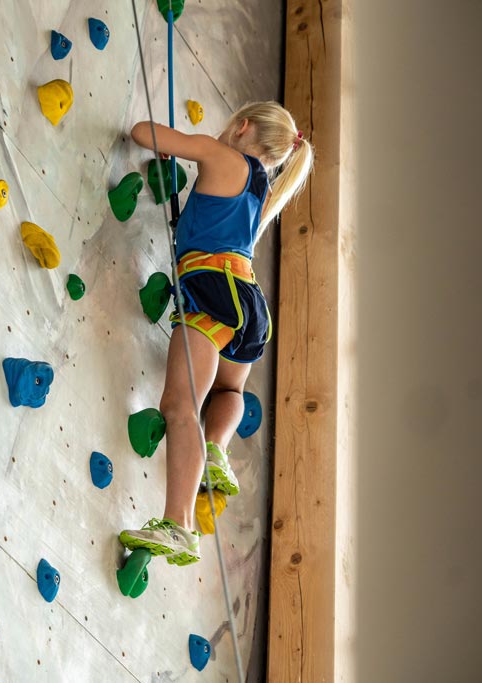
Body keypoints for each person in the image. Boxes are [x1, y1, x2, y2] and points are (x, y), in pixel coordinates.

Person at [119, 101, 314, 565]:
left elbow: (142, 131)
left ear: (242, 126)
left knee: (180, 404)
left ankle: (178, 524)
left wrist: (193, 146)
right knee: (228, 388)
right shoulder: (264, 188)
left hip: (211, 287)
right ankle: (218, 449)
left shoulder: (218, 153)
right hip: (248, 302)